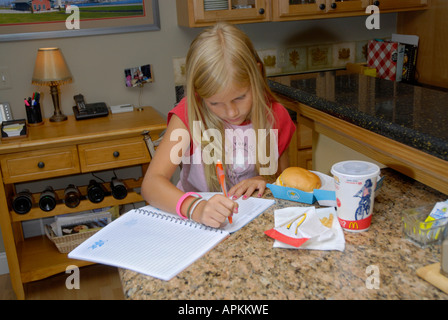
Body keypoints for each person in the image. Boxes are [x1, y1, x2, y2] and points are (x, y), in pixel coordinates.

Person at [141, 23, 295, 228]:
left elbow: (287, 183)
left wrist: (266, 182)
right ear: (199, 92)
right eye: (215, 103)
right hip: (195, 225)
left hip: (251, 225)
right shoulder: (188, 116)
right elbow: (152, 183)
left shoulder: (275, 117)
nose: (231, 112)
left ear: (257, 73)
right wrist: (196, 208)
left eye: (240, 97)